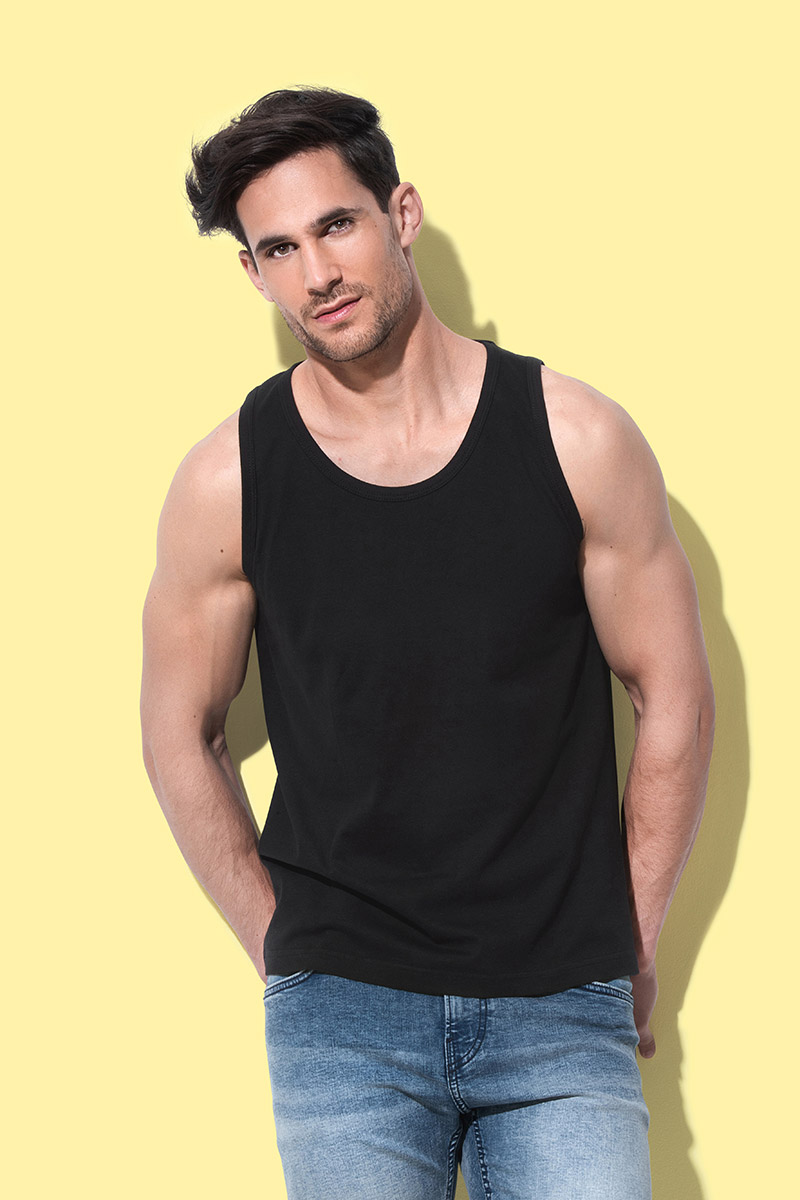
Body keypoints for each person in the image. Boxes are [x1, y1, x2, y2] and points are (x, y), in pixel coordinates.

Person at [141, 87, 715, 1200]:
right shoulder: (227, 480)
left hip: (561, 1002)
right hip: (341, 1016)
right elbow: (178, 733)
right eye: (280, 249)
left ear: (400, 213)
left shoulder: (576, 437)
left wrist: (633, 935)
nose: (318, 272)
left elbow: (674, 695)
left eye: (337, 225)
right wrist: (283, 952)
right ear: (253, 273)